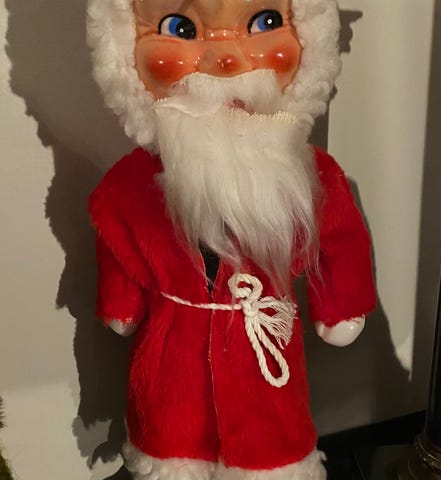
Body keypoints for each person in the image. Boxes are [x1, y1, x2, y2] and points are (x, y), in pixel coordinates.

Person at [86, 0, 376, 478]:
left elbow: (340, 238)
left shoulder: (311, 174)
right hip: (172, 357)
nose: (225, 61)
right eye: (181, 28)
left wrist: (340, 303)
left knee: (270, 448)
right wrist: (122, 301)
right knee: (173, 441)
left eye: (265, 22)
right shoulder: (133, 183)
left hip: (263, 358)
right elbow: (116, 233)